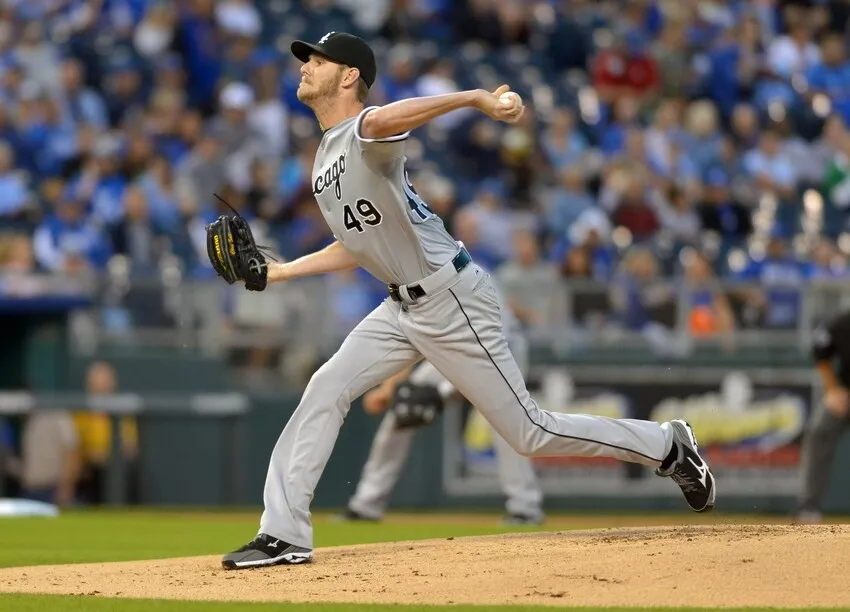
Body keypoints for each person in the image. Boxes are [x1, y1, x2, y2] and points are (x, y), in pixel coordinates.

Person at [221, 32, 715, 570]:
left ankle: (667, 444)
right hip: (401, 307)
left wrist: (474, 98)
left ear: (348, 77)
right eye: (306, 60)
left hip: (450, 299)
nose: (305, 67)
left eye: (318, 60)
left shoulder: (366, 129)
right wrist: (283, 272)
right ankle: (283, 533)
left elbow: (387, 120)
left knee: (530, 432)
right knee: (326, 386)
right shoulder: (325, 157)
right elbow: (357, 242)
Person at [341, 274, 544, 526]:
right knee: (404, 411)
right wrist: (388, 389)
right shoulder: (415, 277)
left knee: (507, 425)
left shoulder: (464, 276)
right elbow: (411, 338)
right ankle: (366, 504)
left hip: (500, 348)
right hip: (454, 347)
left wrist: (444, 392)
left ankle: (525, 507)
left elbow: (481, 354)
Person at [797, 310, 850, 523]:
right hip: (845, 395)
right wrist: (833, 390)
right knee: (818, 431)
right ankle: (809, 507)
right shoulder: (843, 323)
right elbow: (821, 353)